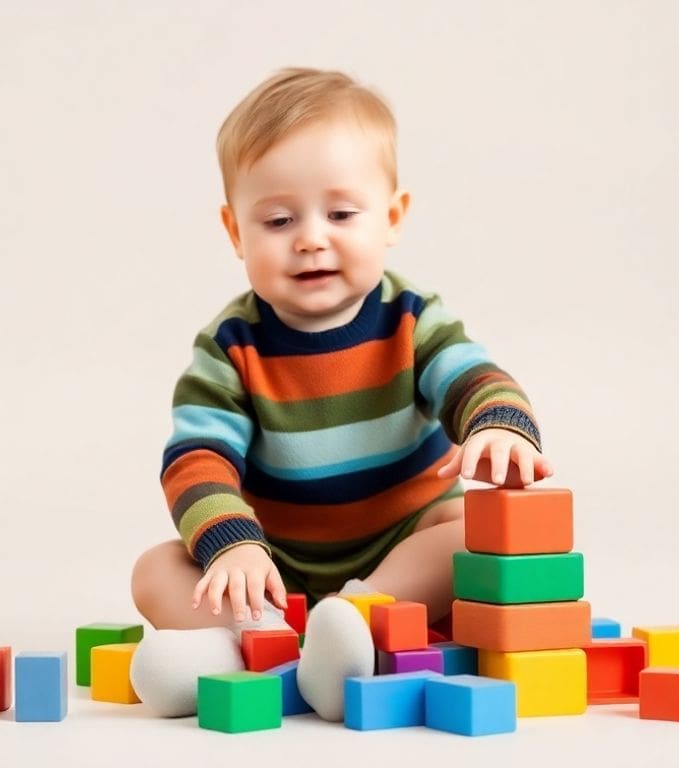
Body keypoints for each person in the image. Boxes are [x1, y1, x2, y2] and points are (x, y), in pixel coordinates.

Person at [128, 68, 551, 718]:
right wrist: (235, 545)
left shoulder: (411, 320)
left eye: (342, 213)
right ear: (235, 232)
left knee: (469, 532)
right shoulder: (229, 347)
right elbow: (196, 459)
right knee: (154, 569)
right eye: (277, 219)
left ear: (392, 217)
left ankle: (359, 619)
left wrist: (498, 425)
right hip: (270, 564)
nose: (311, 237)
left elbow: (474, 377)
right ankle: (252, 640)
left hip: (400, 547)